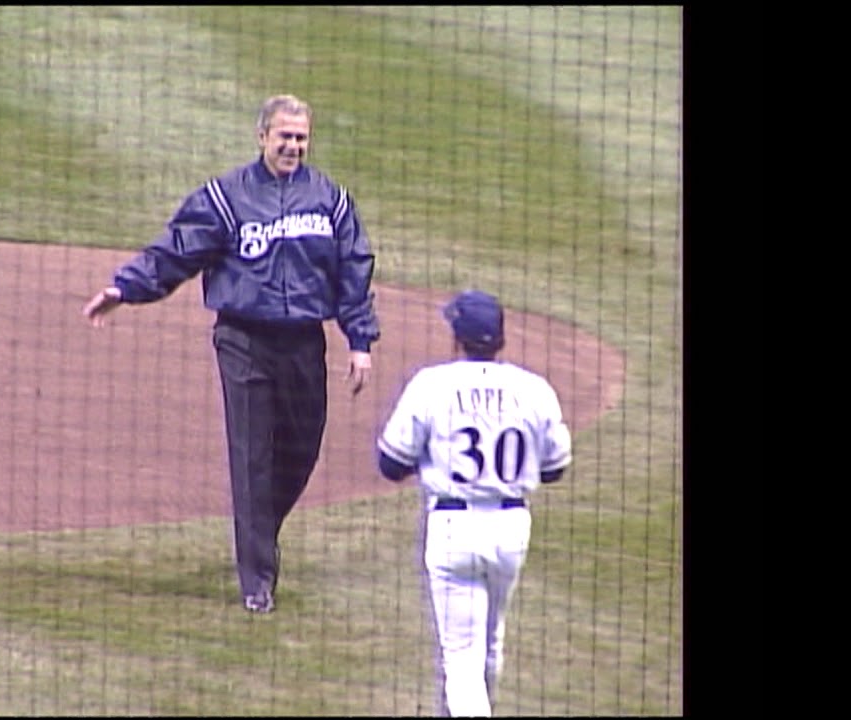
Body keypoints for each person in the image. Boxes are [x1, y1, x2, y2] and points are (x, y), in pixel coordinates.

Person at [82, 94, 381, 614]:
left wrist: (359, 340)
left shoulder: (330, 199)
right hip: (243, 340)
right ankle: (257, 581)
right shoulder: (226, 198)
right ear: (262, 136)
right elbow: (177, 251)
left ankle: (260, 531)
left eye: (301, 137)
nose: (292, 146)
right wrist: (125, 289)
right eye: (284, 136)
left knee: (301, 452)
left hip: (305, 341)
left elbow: (353, 268)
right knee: (252, 456)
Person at [375, 289, 572, 716]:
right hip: (511, 529)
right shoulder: (534, 389)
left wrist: (435, 455)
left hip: (453, 528)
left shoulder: (432, 384)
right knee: (489, 641)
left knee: (460, 660)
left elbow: (390, 463)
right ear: (499, 338)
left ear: (457, 338)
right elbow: (556, 467)